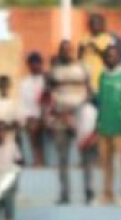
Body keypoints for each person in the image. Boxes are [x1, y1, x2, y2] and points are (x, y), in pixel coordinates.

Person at [46, 39, 94, 205]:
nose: (66, 52)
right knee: (62, 158)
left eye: (69, 49)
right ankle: (65, 193)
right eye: (63, 50)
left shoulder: (82, 69)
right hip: (60, 118)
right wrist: (58, 113)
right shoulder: (54, 71)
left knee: (86, 157)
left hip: (79, 116)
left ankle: (88, 191)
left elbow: (90, 92)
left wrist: (78, 111)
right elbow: (48, 94)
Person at [95, 46, 121, 206]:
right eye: (107, 57)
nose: (110, 59)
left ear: (118, 58)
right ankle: (107, 194)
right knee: (106, 163)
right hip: (104, 126)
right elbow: (100, 102)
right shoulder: (102, 76)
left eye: (113, 56)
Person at [18, 52, 47, 168]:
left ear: (41, 64)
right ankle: (37, 159)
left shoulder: (46, 80)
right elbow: (23, 103)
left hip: (45, 115)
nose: (35, 66)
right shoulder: (24, 83)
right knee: (32, 127)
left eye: (37, 64)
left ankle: (40, 159)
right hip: (32, 116)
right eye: (32, 64)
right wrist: (26, 118)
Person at [78, 13, 119, 94]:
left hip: (101, 77)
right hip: (86, 79)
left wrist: (98, 49)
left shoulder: (108, 39)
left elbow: (111, 58)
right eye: (93, 23)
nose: (95, 26)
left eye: (97, 23)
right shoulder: (83, 39)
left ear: (102, 25)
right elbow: (79, 57)